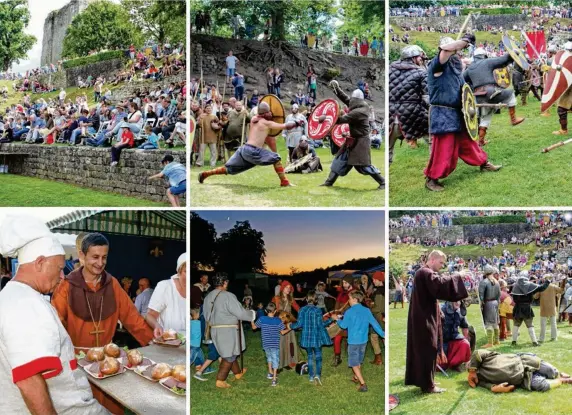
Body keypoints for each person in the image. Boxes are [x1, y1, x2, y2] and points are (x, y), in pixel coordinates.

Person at [0, 216, 109, 415]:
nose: (62, 276)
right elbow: (29, 378)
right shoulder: (26, 304)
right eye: (59, 269)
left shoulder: (14, 295)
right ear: (40, 262)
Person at [50, 232, 153, 413]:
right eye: (95, 257)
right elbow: (56, 328)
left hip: (108, 363)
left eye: (104, 257)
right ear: (82, 256)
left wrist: (153, 343)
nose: (100, 263)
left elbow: (133, 318)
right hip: (77, 363)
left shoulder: (112, 284)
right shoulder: (65, 287)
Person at [424, 35, 501, 192]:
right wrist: (465, 41)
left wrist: (469, 106)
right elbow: (446, 51)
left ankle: (483, 163)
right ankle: (431, 178)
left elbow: (464, 92)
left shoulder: (456, 70)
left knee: (469, 143)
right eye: (456, 50)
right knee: (444, 149)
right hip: (443, 113)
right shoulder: (436, 66)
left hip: (459, 113)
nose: (458, 54)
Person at [405, 250, 468, 393]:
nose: (442, 266)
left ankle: (427, 380)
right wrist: (457, 276)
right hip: (424, 319)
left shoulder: (423, 273)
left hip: (424, 316)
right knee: (428, 349)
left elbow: (435, 288)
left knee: (427, 350)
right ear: (432, 260)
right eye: (440, 262)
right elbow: (439, 284)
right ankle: (428, 386)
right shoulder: (425, 273)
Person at [198, 101, 302, 187]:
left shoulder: (253, 119)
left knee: (229, 168)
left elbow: (257, 117)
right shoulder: (266, 123)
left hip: (244, 149)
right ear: (266, 113)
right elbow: (286, 126)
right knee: (276, 157)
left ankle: (206, 174)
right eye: (269, 112)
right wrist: (297, 122)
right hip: (253, 151)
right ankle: (284, 182)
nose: (271, 113)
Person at [320, 81, 385, 189]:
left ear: (357, 100)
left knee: (364, 166)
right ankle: (329, 182)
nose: (351, 101)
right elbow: (346, 98)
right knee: (339, 160)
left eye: (353, 99)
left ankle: (383, 182)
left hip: (361, 142)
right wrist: (337, 88)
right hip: (352, 140)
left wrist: (326, 117)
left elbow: (341, 119)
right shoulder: (358, 104)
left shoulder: (361, 111)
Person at [463, 47, 524, 146]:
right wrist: (513, 53)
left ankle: (481, 141)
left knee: (486, 116)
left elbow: (462, 80)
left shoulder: (469, 68)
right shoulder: (487, 62)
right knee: (511, 93)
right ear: (484, 55)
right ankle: (513, 119)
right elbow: (503, 60)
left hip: (478, 97)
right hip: (491, 92)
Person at [203, 273, 254, 388]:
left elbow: (206, 315)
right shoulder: (228, 296)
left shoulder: (208, 297)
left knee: (230, 353)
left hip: (214, 329)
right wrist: (252, 314)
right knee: (229, 355)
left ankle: (237, 373)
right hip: (228, 330)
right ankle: (220, 380)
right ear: (225, 282)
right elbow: (240, 313)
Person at [332, 291, 385, 392]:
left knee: (354, 363)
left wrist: (337, 319)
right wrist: (383, 334)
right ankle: (356, 377)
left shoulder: (349, 312)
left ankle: (363, 384)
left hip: (353, 341)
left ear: (355, 299)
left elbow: (343, 326)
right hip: (363, 341)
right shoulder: (367, 310)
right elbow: (375, 324)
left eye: (350, 299)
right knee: (359, 360)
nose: (349, 301)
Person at [388, 45, 428, 161]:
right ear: (413, 58)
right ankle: (433, 175)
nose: (421, 60)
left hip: (390, 116)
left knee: (388, 151)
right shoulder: (421, 73)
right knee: (433, 140)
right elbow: (427, 99)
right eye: (420, 57)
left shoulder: (389, 70)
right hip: (413, 115)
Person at [467, 349, 572, 392]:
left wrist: (472, 370)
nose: (468, 367)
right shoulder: (477, 378)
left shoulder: (483, 357)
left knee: (551, 371)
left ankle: (559, 374)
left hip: (523, 361)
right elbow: (485, 385)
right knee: (542, 386)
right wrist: (496, 388)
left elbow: (478, 352)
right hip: (523, 378)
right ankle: (562, 380)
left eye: (470, 365)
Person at [288, 290, 334, 385]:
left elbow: (299, 324)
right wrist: (331, 319)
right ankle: (318, 375)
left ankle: (311, 376)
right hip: (316, 338)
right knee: (318, 357)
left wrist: (290, 326)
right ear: (316, 300)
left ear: (306, 299)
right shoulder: (317, 310)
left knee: (309, 356)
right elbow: (321, 325)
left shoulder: (302, 310)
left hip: (306, 337)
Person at [146, 253, 187, 336]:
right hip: (168, 344)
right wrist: (157, 326)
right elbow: (149, 315)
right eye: (186, 271)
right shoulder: (165, 287)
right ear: (179, 272)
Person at [251, 302, 287, 387]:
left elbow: (253, 327)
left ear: (265, 311)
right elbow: (282, 332)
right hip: (274, 344)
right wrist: (289, 328)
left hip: (266, 344)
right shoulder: (277, 320)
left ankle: (270, 373)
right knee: (275, 360)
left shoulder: (262, 319)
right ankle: (274, 379)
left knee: (269, 357)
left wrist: (251, 320)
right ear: (275, 311)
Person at [511, 274, 549, 346]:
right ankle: (534, 342)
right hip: (527, 308)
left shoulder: (515, 286)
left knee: (516, 325)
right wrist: (548, 281)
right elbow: (542, 288)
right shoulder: (529, 287)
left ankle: (514, 341)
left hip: (518, 308)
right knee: (530, 325)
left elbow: (514, 298)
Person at [272, 280, 300, 369]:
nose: (288, 289)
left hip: (289, 323)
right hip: (278, 323)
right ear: (282, 288)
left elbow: (298, 308)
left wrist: (305, 314)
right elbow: (271, 311)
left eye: (289, 288)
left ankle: (289, 361)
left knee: (289, 342)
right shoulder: (276, 298)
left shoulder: (290, 299)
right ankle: (279, 364)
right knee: (280, 343)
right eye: (287, 287)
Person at [440, 301, 472, 371]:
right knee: (441, 367)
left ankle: (455, 365)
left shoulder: (460, 311)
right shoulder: (441, 309)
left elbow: (465, 327)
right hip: (440, 343)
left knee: (465, 343)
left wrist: (467, 345)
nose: (458, 303)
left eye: (459, 301)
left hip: (453, 340)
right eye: (455, 300)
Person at [534, 274, 563, 342]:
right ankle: (554, 337)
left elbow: (535, 297)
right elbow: (561, 291)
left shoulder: (541, 287)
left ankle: (541, 338)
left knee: (543, 325)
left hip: (543, 308)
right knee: (553, 323)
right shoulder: (553, 286)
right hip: (552, 308)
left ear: (544, 279)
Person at [478, 265, 501, 347]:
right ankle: (497, 341)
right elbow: (499, 295)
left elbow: (481, 295)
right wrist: (498, 303)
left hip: (488, 303)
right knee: (495, 322)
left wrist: (481, 303)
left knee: (489, 323)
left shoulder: (484, 282)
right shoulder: (497, 281)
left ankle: (490, 343)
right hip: (495, 303)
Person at [369, 272, 385, 365]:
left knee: (374, 337)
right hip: (382, 317)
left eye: (375, 279)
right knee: (383, 336)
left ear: (380, 280)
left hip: (378, 318)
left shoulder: (379, 291)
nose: (373, 281)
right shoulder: (382, 290)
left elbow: (378, 308)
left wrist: (370, 309)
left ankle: (378, 359)